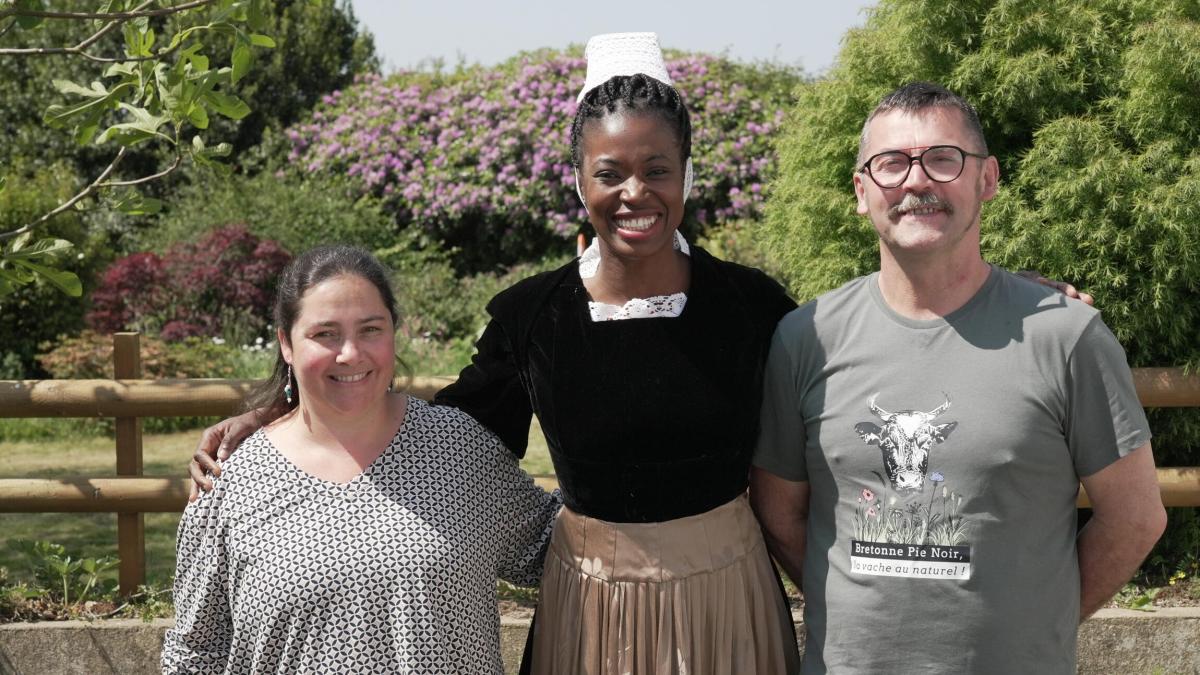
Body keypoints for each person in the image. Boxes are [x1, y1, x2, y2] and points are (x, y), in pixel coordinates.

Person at [186, 40, 1092, 675]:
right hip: (589, 603)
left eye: (657, 169)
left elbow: (891, 352)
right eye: (610, 172)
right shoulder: (532, 315)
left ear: (687, 174)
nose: (635, 192)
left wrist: (1021, 304)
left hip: (728, 594)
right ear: (577, 180)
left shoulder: (754, 308)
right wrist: (281, 413)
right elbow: (436, 428)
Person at [749, 82, 1167, 674]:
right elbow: (780, 515)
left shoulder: (1066, 336)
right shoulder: (805, 339)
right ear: (861, 191)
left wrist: (1033, 624)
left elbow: (1136, 517)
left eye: (943, 159)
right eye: (890, 164)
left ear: (987, 179)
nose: (917, 182)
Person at [161, 245, 560, 674]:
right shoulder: (230, 480)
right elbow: (195, 655)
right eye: (325, 334)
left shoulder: (462, 450)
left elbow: (556, 551)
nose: (350, 353)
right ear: (286, 343)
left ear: (394, 332)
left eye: (370, 329)